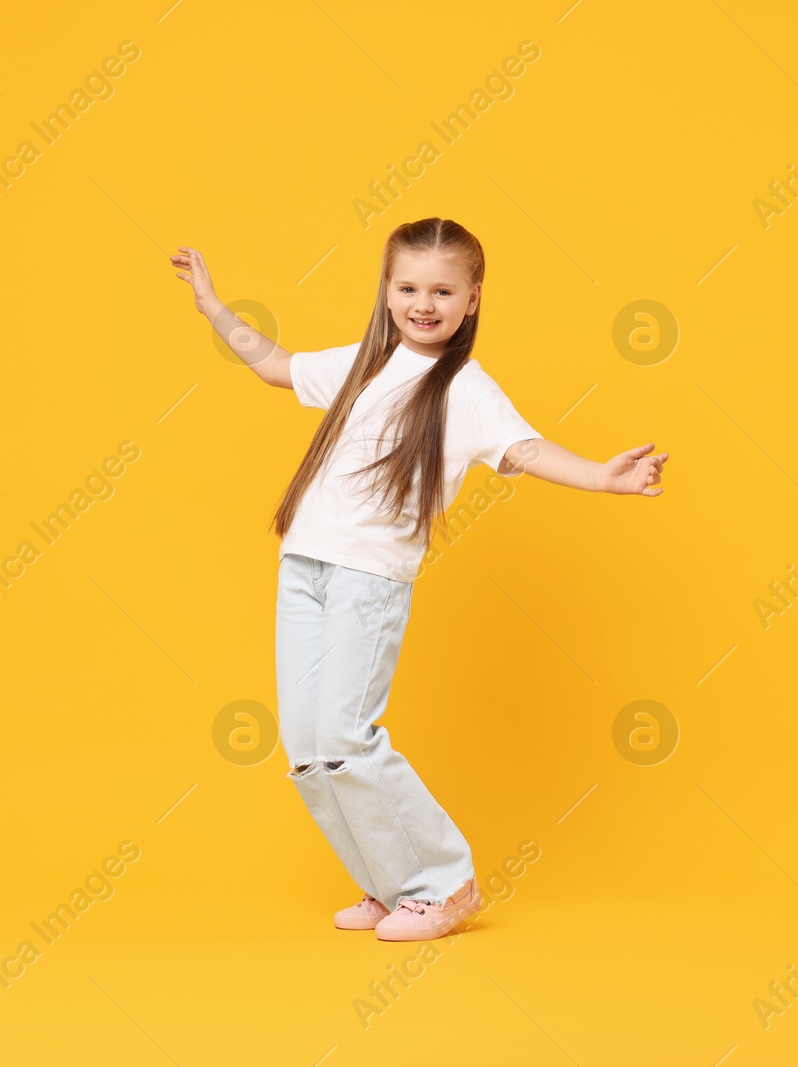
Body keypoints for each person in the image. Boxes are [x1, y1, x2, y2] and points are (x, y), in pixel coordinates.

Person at [172, 217, 668, 940]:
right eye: (408, 286)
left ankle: (443, 883)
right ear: (386, 289)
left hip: (368, 579)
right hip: (303, 566)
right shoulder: (364, 363)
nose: (423, 302)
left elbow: (522, 448)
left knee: (347, 732)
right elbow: (276, 366)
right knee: (309, 747)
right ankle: (385, 883)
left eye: (442, 289)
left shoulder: (463, 387)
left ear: (472, 299)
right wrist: (215, 308)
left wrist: (600, 476)